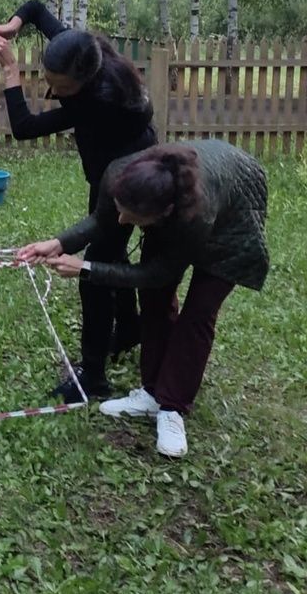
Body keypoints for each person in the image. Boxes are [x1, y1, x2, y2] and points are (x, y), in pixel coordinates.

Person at [18, 140, 269, 457]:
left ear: (165, 212)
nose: (122, 221)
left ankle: (172, 408)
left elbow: (156, 273)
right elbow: (103, 219)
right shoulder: (120, 173)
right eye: (122, 209)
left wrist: (86, 268)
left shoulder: (195, 215)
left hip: (235, 219)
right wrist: (58, 242)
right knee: (153, 301)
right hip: (190, 202)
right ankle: (152, 392)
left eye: (132, 217)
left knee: (198, 314)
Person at [0, 0, 156, 402]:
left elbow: (24, 128)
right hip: (109, 168)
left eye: (60, 87)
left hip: (127, 177)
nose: (52, 90)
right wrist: (12, 25)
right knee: (112, 254)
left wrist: (10, 70)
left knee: (94, 273)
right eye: (48, 79)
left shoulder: (99, 101)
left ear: (84, 82)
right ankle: (130, 330)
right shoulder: (80, 50)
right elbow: (38, 9)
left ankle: (92, 379)